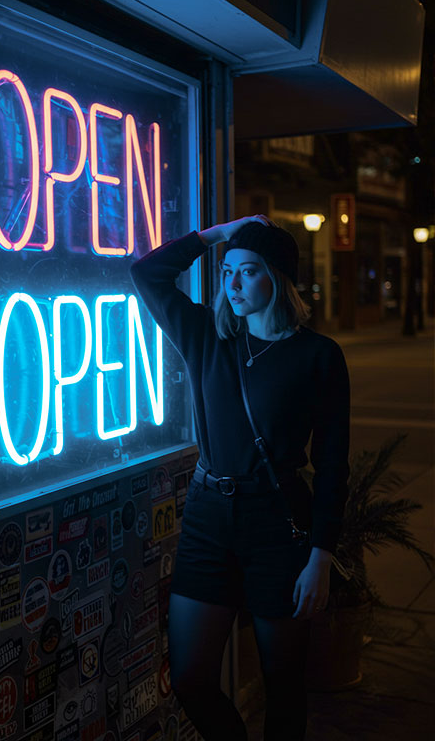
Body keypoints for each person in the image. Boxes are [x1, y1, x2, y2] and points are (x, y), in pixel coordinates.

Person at [130, 215, 351, 741]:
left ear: (278, 276)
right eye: (227, 271)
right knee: (190, 678)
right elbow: (147, 273)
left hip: (278, 524)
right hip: (208, 518)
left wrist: (321, 557)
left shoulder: (318, 355)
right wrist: (220, 234)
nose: (232, 283)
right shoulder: (207, 335)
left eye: (248, 271)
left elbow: (332, 463)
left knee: (283, 686)